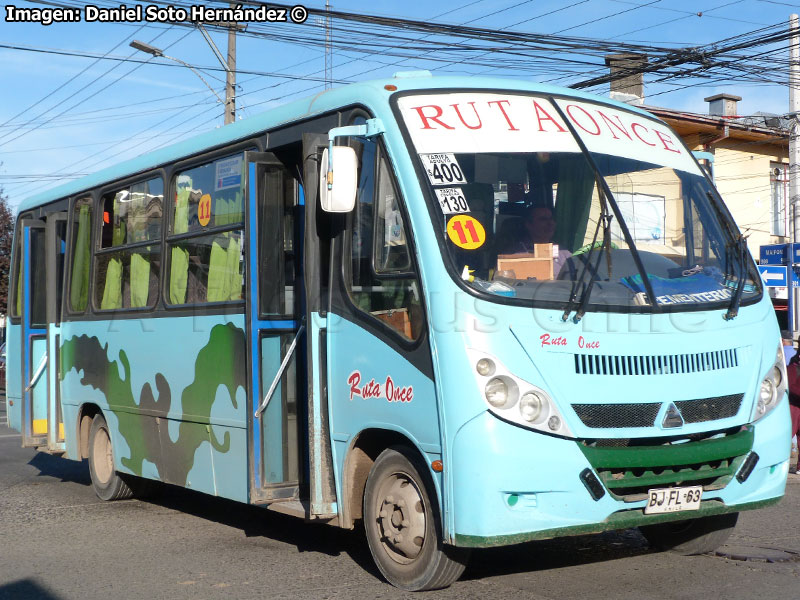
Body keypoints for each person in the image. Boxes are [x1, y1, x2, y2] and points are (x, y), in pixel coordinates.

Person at [501, 200, 571, 277]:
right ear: (529, 225)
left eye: (551, 219)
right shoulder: (513, 254)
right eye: (543, 219)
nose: (550, 223)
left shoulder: (563, 253)